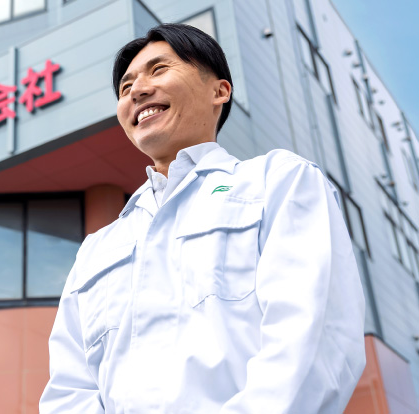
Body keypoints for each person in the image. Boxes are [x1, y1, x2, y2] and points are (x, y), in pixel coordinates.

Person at [40, 23, 366, 413]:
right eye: (125, 88)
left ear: (220, 91)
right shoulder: (96, 249)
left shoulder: (279, 182)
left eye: (159, 69)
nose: (137, 91)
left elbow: (312, 340)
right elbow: (69, 388)